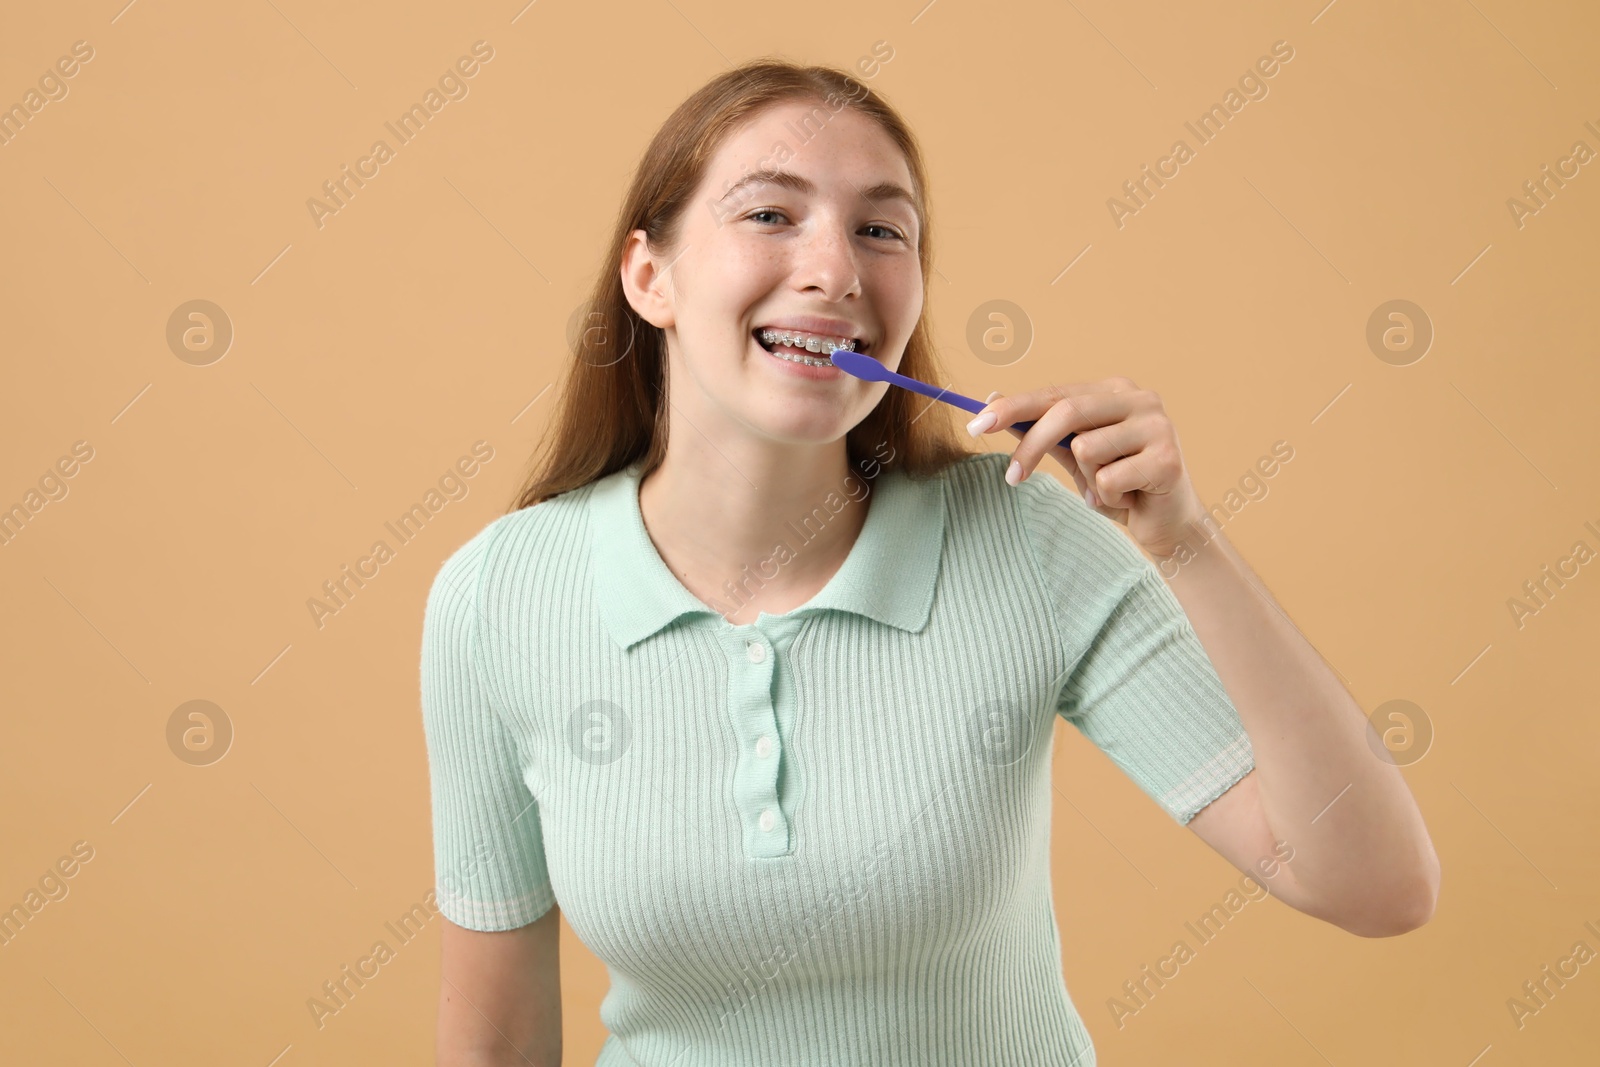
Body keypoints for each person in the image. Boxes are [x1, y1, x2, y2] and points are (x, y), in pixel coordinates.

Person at [420, 58, 1440, 1067]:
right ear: (650, 276)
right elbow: (498, 1043)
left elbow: (1375, 886)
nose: (836, 270)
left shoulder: (1026, 542)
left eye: (880, 228)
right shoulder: (498, 597)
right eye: (771, 214)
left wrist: (1185, 541)